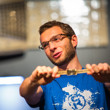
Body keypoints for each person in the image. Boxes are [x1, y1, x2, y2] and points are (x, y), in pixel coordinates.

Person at [20, 20, 110, 110]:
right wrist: (33, 81)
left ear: (73, 40)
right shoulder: (45, 82)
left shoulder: (100, 77)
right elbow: (25, 93)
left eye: (56, 39)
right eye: (45, 45)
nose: (51, 47)